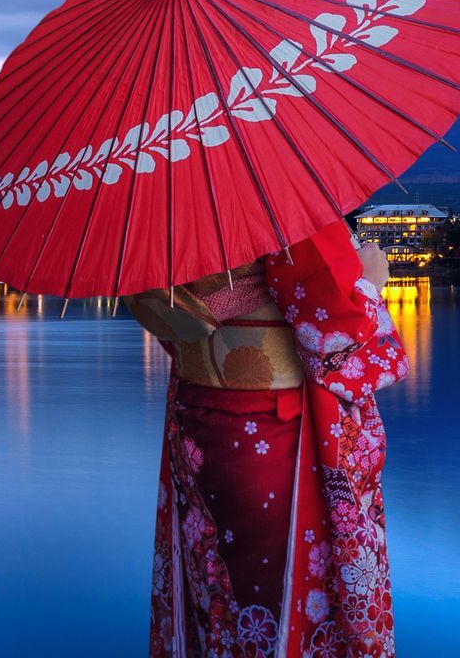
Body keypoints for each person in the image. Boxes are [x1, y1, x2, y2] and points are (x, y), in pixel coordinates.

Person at [125, 221, 409, 656]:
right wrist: (369, 281)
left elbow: (176, 325)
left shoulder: (163, 208)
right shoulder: (279, 209)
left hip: (199, 427)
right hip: (274, 432)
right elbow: (336, 339)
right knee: (280, 596)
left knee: (215, 588)